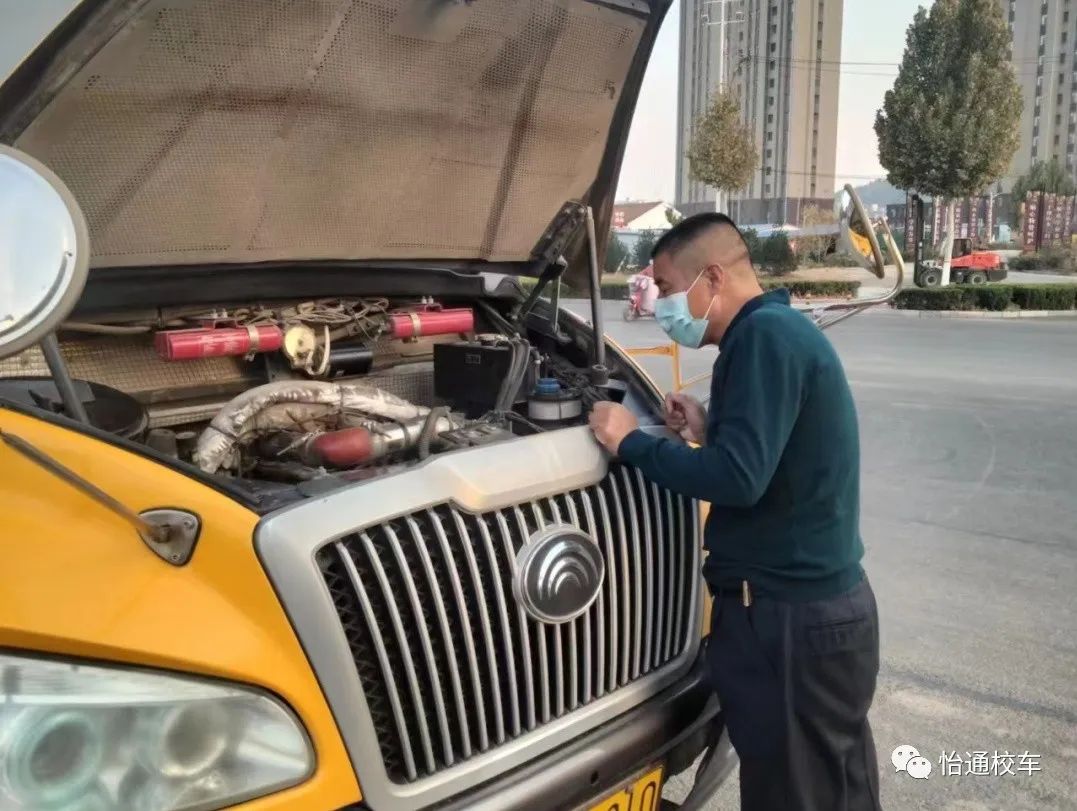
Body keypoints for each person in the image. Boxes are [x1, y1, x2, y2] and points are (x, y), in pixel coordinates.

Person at [588, 213, 881, 811]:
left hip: (788, 621)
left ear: (713, 278)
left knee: (794, 795)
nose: (663, 304)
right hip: (813, 615)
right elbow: (774, 457)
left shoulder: (762, 340)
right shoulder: (777, 331)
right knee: (833, 789)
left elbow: (738, 479)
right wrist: (707, 427)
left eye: (667, 287)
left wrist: (630, 442)